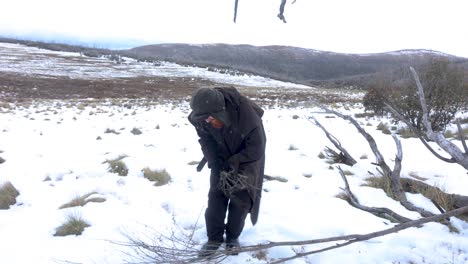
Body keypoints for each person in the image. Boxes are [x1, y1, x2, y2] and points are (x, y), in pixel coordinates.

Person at [188, 86, 266, 256]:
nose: (207, 122)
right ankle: (214, 239)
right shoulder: (201, 116)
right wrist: (214, 162)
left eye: (210, 118)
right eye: (204, 120)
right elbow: (206, 139)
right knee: (216, 196)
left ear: (221, 111)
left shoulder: (247, 118)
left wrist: (234, 163)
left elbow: (257, 149)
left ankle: (232, 238)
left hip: (247, 159)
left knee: (240, 199)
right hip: (221, 156)